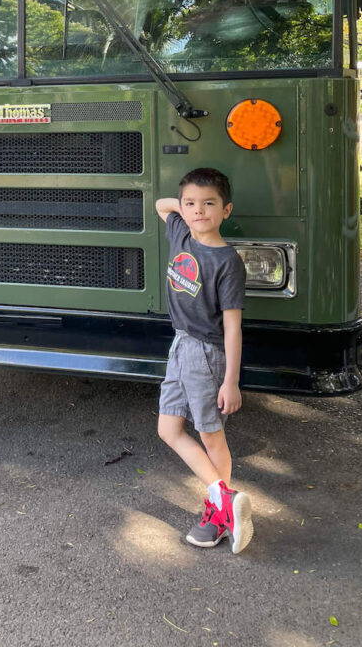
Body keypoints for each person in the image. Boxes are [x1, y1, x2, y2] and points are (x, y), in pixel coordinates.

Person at [155, 167, 253, 554]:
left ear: (225, 210)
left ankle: (218, 514)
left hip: (207, 353)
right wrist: (181, 207)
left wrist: (231, 380)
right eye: (191, 204)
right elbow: (161, 205)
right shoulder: (180, 231)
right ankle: (226, 501)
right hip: (179, 346)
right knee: (168, 429)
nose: (199, 211)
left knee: (211, 436)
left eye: (209, 204)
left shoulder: (228, 262)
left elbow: (233, 328)